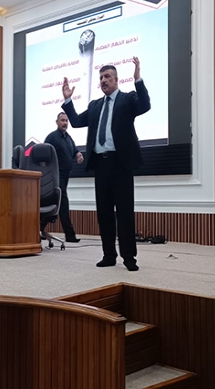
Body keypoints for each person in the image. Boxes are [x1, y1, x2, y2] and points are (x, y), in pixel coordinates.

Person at [61, 57, 150, 271]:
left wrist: (138, 80)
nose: (103, 80)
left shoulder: (127, 99)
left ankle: (129, 257)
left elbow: (145, 105)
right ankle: (109, 254)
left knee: (125, 212)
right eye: (101, 77)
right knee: (104, 213)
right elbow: (76, 121)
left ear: (116, 80)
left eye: (107, 76)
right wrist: (68, 100)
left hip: (121, 164)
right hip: (100, 165)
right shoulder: (95, 105)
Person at [42, 112, 84, 243]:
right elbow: (43, 154)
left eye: (66, 120)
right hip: (55, 176)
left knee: (57, 203)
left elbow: (75, 150)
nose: (65, 123)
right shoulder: (52, 137)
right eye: (62, 120)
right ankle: (70, 235)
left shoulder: (68, 138)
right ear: (57, 122)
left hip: (66, 176)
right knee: (63, 202)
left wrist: (78, 155)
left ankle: (38, 228)